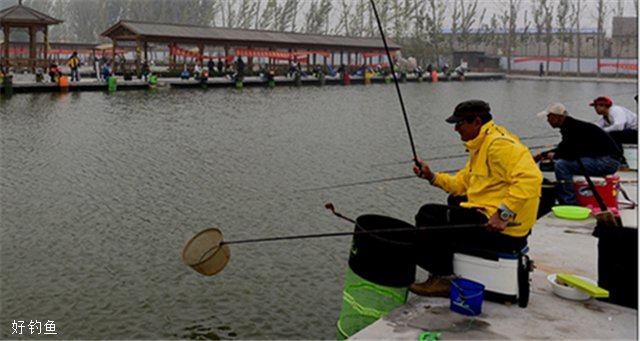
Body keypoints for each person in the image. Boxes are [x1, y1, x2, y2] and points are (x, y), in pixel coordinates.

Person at [409, 100, 543, 296]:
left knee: (428, 215)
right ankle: (444, 268)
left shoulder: (499, 145)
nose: (456, 129)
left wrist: (503, 215)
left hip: (506, 232)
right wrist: (431, 176)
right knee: (454, 201)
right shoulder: (482, 145)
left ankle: (442, 278)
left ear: (477, 122)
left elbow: (531, 178)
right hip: (491, 216)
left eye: (460, 123)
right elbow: (461, 185)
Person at [533, 103, 622, 205]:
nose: (547, 120)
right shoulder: (570, 126)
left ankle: (568, 202)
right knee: (556, 163)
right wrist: (541, 155)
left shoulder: (572, 128)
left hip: (607, 162)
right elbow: (564, 148)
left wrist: (555, 155)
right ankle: (571, 194)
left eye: (549, 117)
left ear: (557, 117)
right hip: (605, 159)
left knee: (561, 165)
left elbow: (572, 153)